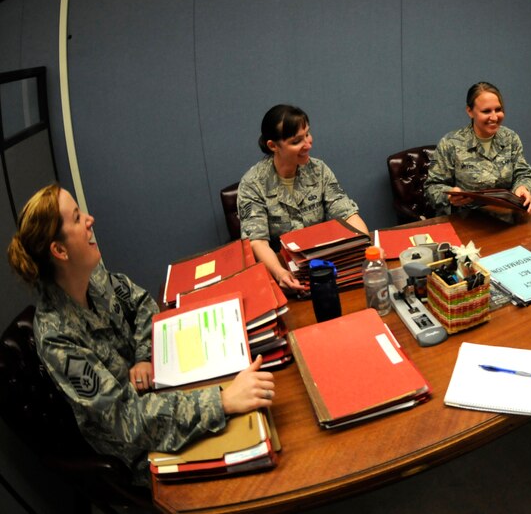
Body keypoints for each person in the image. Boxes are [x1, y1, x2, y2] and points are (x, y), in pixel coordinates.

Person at [7, 184, 276, 487]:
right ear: (59, 250)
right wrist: (222, 403)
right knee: (255, 467)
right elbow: (127, 421)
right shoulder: (57, 337)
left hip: (163, 395)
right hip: (141, 449)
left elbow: (142, 304)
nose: (90, 220)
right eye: (77, 217)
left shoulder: (93, 276)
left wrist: (143, 355)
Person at [237, 104, 368, 292]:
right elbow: (257, 241)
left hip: (324, 264)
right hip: (284, 271)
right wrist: (280, 273)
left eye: (307, 134)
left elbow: (348, 214)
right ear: (273, 146)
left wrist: (366, 248)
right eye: (297, 141)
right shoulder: (253, 184)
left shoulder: (318, 170)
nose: (308, 144)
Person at [424, 82, 531, 218]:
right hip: (466, 219)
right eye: (486, 111)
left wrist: (523, 187)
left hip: (506, 218)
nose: (494, 117)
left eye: (498, 109)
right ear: (470, 111)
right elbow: (431, 187)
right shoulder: (450, 143)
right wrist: (449, 195)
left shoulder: (510, 138)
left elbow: (523, 174)